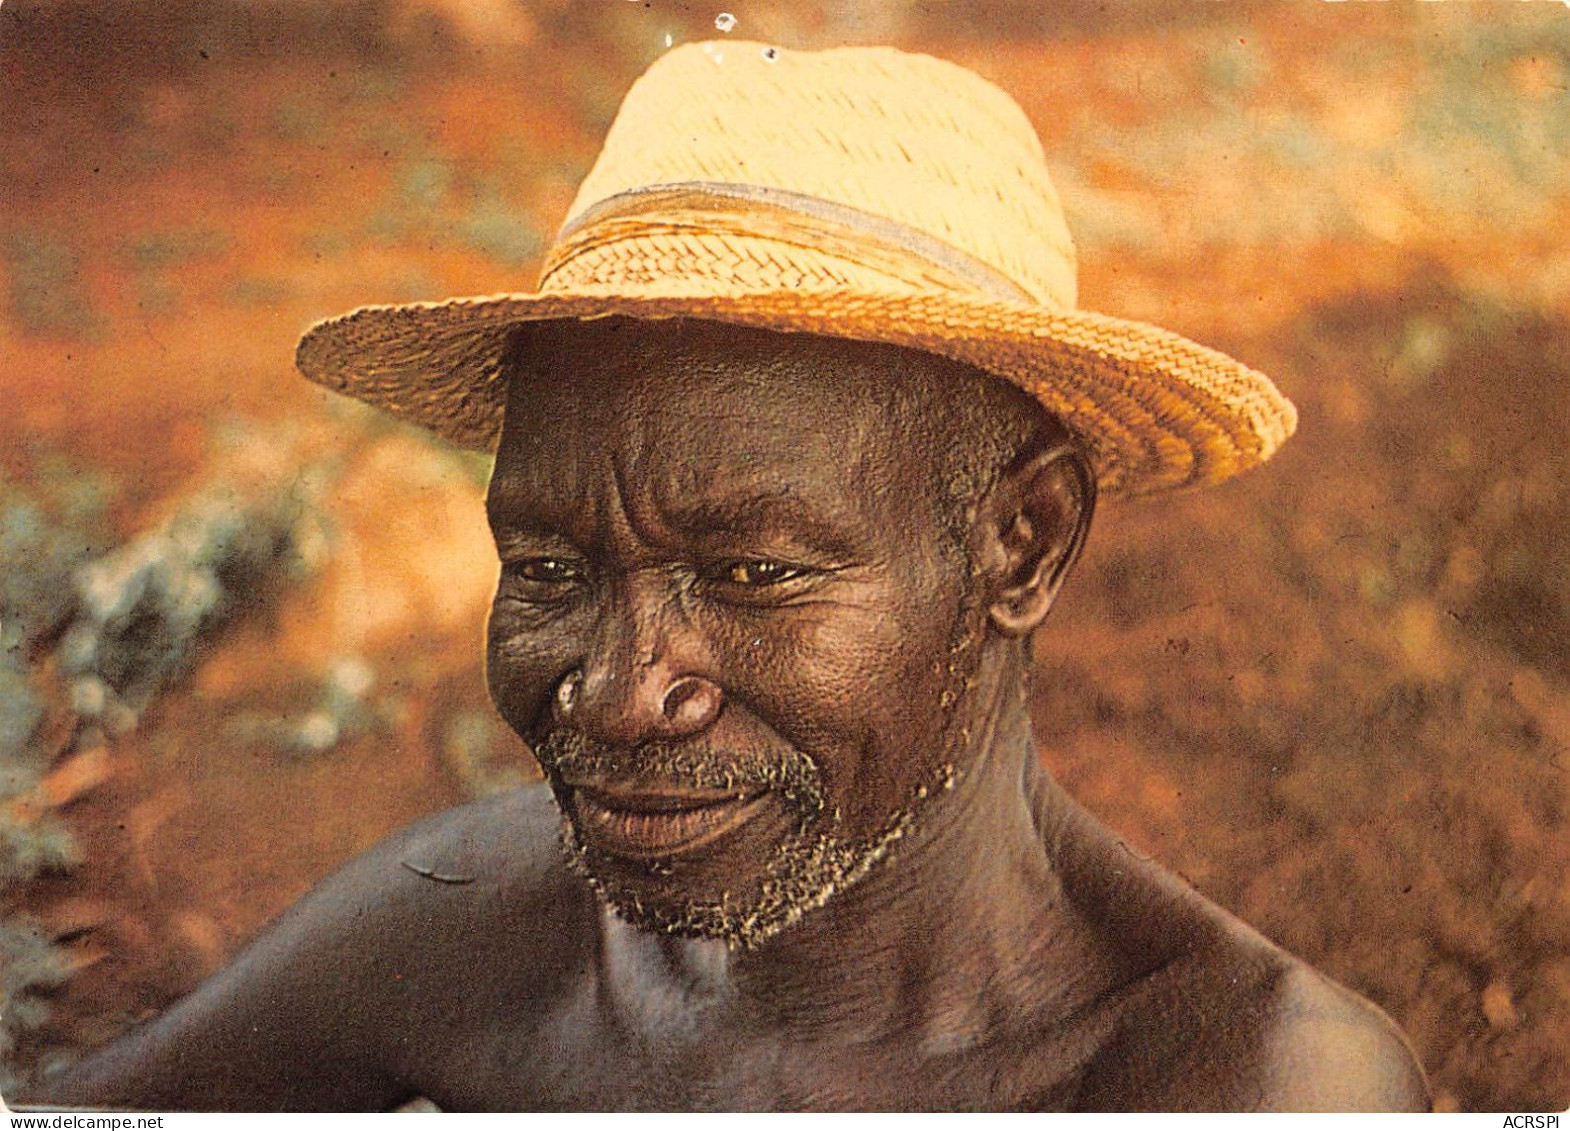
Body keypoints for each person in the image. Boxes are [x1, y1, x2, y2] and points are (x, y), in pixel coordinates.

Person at [22, 42, 1429, 1112]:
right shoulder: (472, 919)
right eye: (551, 564)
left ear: (1023, 542)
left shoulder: (1243, 1082)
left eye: (752, 569)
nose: (624, 696)